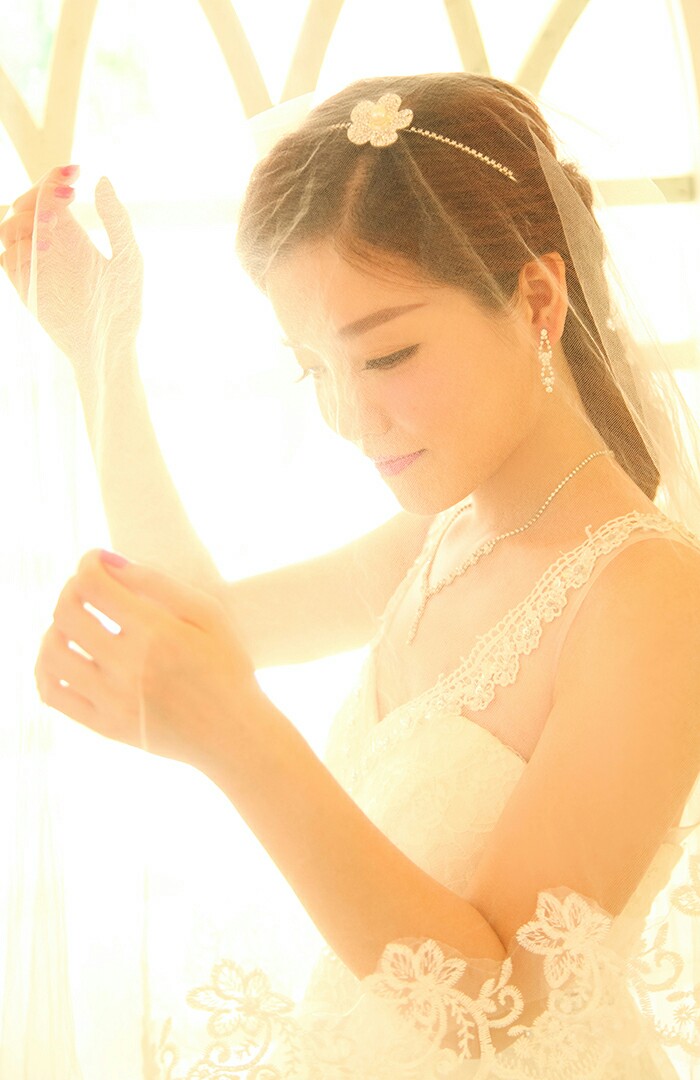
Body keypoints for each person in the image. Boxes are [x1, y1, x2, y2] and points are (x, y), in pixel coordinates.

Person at [2, 71, 700, 1077]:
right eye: (314, 367)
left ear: (537, 299)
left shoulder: (650, 599)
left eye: (386, 355)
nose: (348, 417)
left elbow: (502, 1005)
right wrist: (98, 348)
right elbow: (203, 622)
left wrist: (239, 738)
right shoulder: (439, 537)